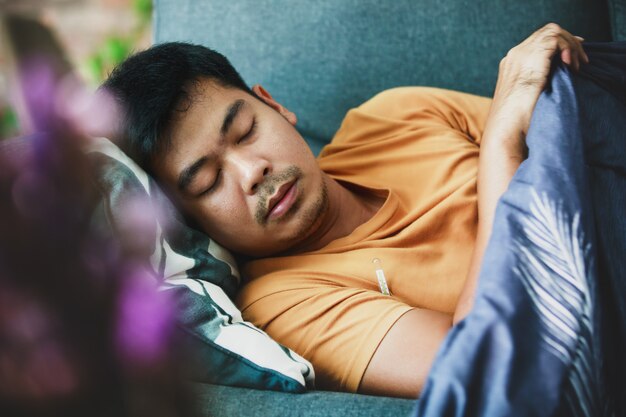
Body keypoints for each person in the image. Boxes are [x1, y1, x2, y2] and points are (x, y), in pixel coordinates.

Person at [102, 23, 588, 398]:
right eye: (207, 181)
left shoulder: (395, 114)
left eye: (246, 129)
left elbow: (576, 136)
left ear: (273, 105)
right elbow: (483, 363)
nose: (252, 171)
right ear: (189, 220)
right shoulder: (283, 304)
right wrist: (501, 143)